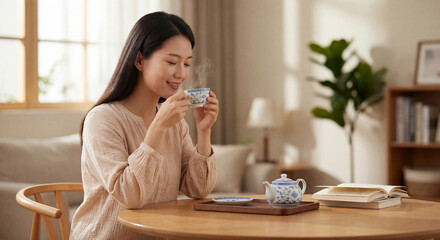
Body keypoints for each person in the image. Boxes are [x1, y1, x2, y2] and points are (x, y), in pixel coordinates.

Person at [70, 11, 218, 239]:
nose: (181, 73)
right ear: (139, 60)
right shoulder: (102, 119)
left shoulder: (175, 123)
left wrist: (204, 131)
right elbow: (130, 195)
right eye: (171, 62)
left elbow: (198, 189)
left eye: (187, 63)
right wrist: (158, 128)